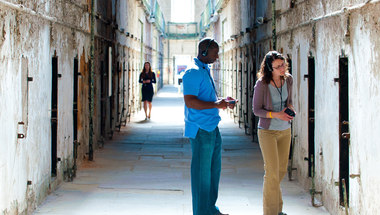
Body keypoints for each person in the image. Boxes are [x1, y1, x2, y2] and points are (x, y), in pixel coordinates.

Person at [182, 38, 236, 215]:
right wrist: (216, 105)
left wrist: (222, 102)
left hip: (212, 127)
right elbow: (190, 101)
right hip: (200, 129)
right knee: (201, 175)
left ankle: (210, 209)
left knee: (213, 172)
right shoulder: (192, 72)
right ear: (204, 52)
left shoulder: (204, 70)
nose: (218, 56)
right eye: (215, 52)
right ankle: (200, 212)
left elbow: (206, 97)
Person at [252, 51, 296, 215]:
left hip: (285, 129)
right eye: (278, 67)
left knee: (281, 171)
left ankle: (278, 210)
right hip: (268, 131)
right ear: (270, 68)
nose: (282, 68)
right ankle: (271, 212)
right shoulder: (262, 84)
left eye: (283, 64)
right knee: (271, 172)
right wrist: (276, 114)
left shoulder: (288, 79)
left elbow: (288, 101)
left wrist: (290, 109)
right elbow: (256, 110)